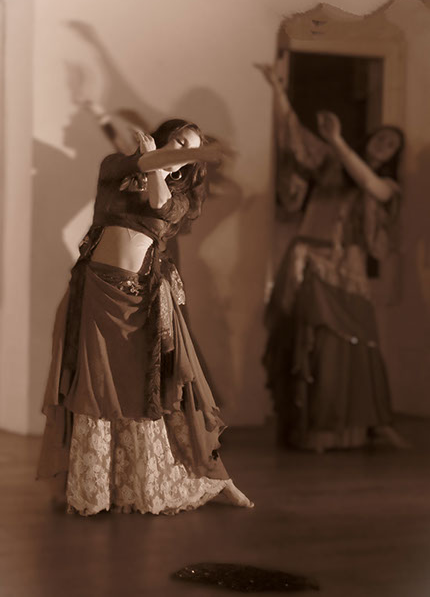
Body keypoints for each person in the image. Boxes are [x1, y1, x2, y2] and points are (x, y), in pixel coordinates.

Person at [37, 117, 254, 514]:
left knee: (147, 386)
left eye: (192, 148)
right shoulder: (114, 169)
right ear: (163, 138)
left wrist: (158, 163)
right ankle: (99, 489)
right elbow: (132, 166)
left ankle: (218, 480)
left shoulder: (180, 199)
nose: (184, 150)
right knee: (96, 384)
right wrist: (149, 158)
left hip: (141, 302)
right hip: (96, 293)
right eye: (180, 141)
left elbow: (160, 205)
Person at [256, 63, 408, 452]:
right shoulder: (328, 160)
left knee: (359, 343)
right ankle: (316, 429)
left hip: (348, 267)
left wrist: (337, 140)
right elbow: (294, 135)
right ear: (369, 138)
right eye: (381, 137)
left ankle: (370, 425)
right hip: (310, 259)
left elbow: (370, 185)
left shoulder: (388, 185)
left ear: (394, 156)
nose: (384, 144)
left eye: (392, 144)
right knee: (315, 342)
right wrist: (277, 89)